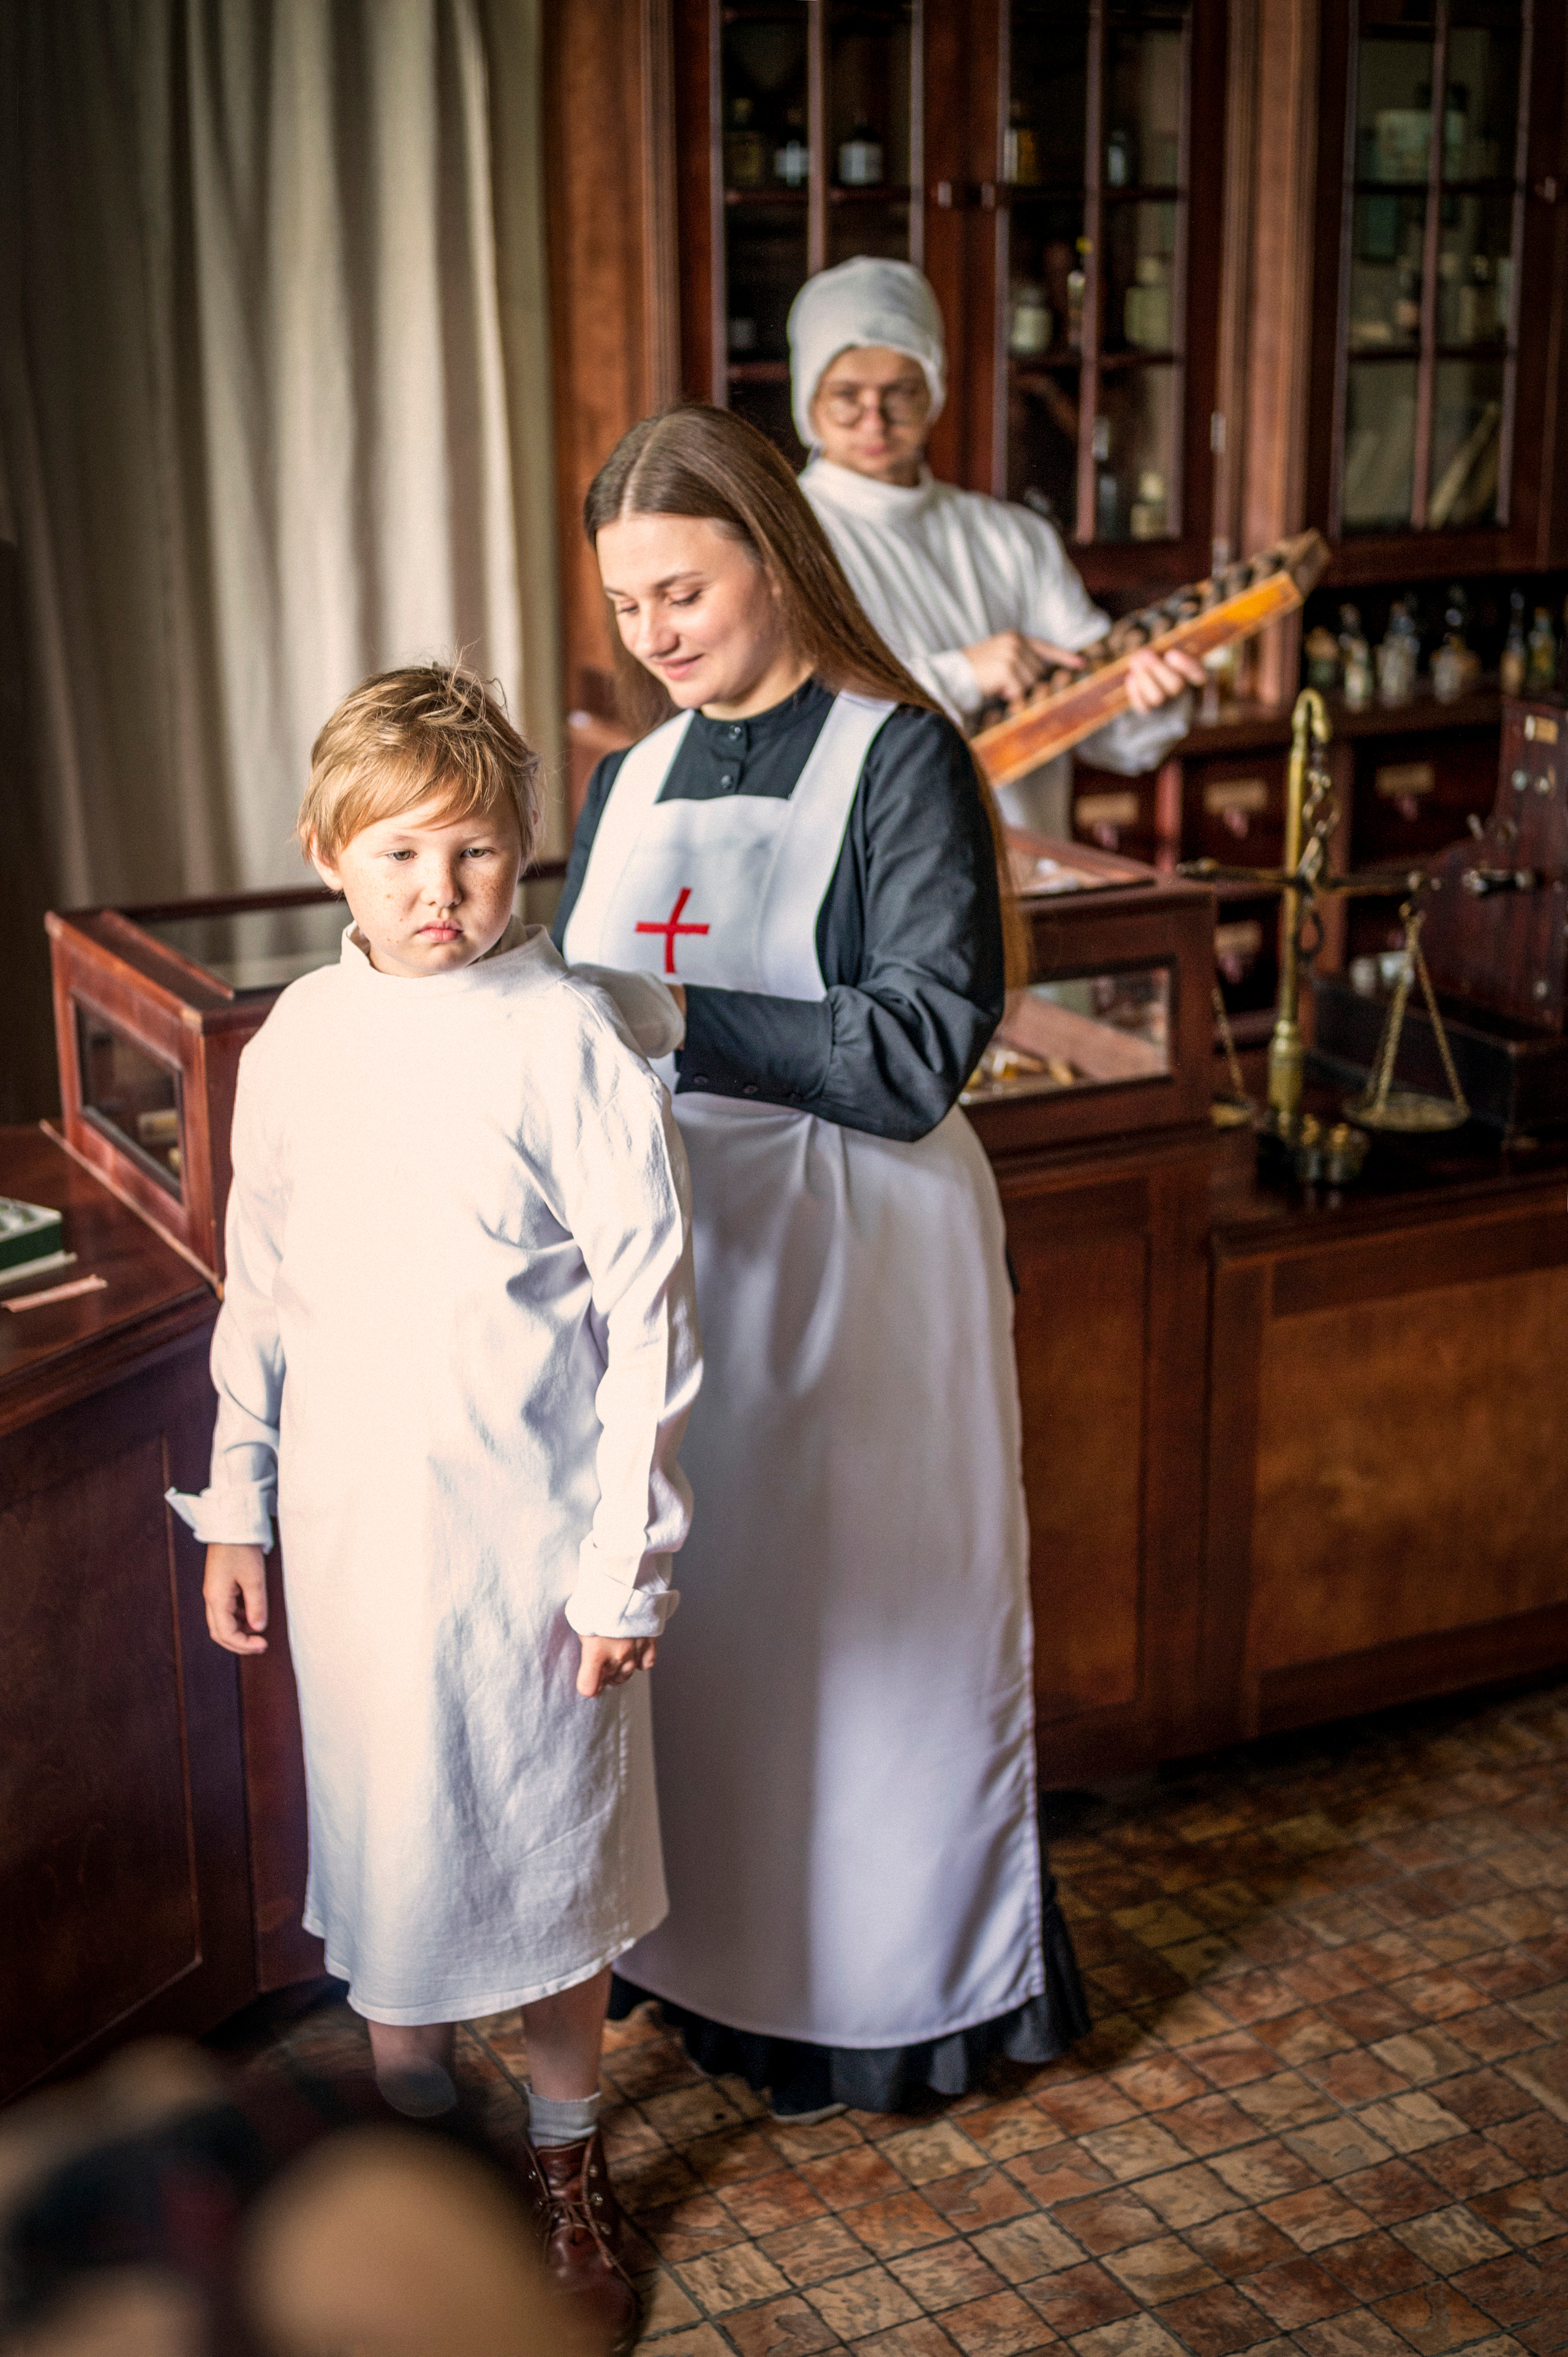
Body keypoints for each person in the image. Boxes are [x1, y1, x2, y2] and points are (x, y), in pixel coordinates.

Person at [553, 404, 1090, 2122]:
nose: (655, 634)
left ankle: (895, 1996)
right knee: (720, 1644)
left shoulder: (902, 753)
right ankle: (711, 1963)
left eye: (683, 589)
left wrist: (676, 1012)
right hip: (688, 1274)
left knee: (871, 1651)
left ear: (774, 556)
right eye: (628, 603)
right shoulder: (622, 780)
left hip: (865, 1272)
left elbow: (921, 1043)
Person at [167, 662, 700, 2354]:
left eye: (474, 854)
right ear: (333, 856)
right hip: (351, 1535)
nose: (439, 892)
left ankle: (558, 2152)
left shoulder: (568, 1038)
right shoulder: (302, 1038)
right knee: (392, 1841)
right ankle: (419, 2142)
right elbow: (259, 1282)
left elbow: (654, 1325)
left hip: (533, 1539)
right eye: (399, 854)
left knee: (546, 1852)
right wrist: (236, 1502)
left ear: (523, 856)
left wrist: (631, 1562)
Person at [789, 256, 1205, 837]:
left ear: (932, 390)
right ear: (807, 399)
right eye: (845, 395)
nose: (874, 420)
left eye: (900, 392)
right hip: (872, 891)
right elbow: (796, 727)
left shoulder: (1012, 538)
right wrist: (964, 672)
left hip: (1027, 879)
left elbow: (1111, 737)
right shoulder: (782, 541)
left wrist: (1149, 696)